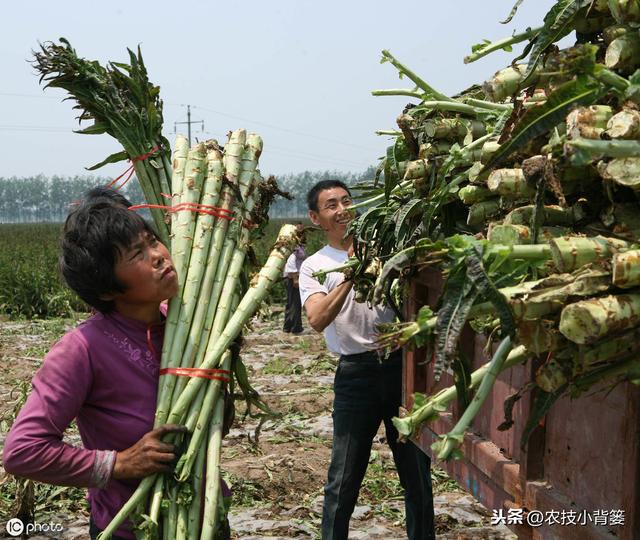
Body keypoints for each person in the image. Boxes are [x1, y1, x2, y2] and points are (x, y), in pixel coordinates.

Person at [3, 191, 187, 540]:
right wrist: (118, 464)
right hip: (130, 528)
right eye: (137, 254)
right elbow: (22, 450)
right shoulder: (81, 349)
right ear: (105, 289)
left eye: (152, 242)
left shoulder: (188, 328)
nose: (159, 257)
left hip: (207, 516)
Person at [299, 180, 435, 540]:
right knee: (343, 478)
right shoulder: (315, 267)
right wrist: (350, 276)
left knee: (417, 474)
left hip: (400, 368)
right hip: (355, 376)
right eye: (331, 205)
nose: (342, 209)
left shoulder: (388, 250)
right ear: (316, 218)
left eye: (346, 201)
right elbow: (316, 319)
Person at [282, 223, 306, 334]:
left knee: (292, 302)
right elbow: (291, 260)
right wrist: (295, 278)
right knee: (295, 303)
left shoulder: (300, 245)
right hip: (293, 277)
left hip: (295, 276)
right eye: (299, 229)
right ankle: (295, 327)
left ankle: (288, 326)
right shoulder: (294, 245)